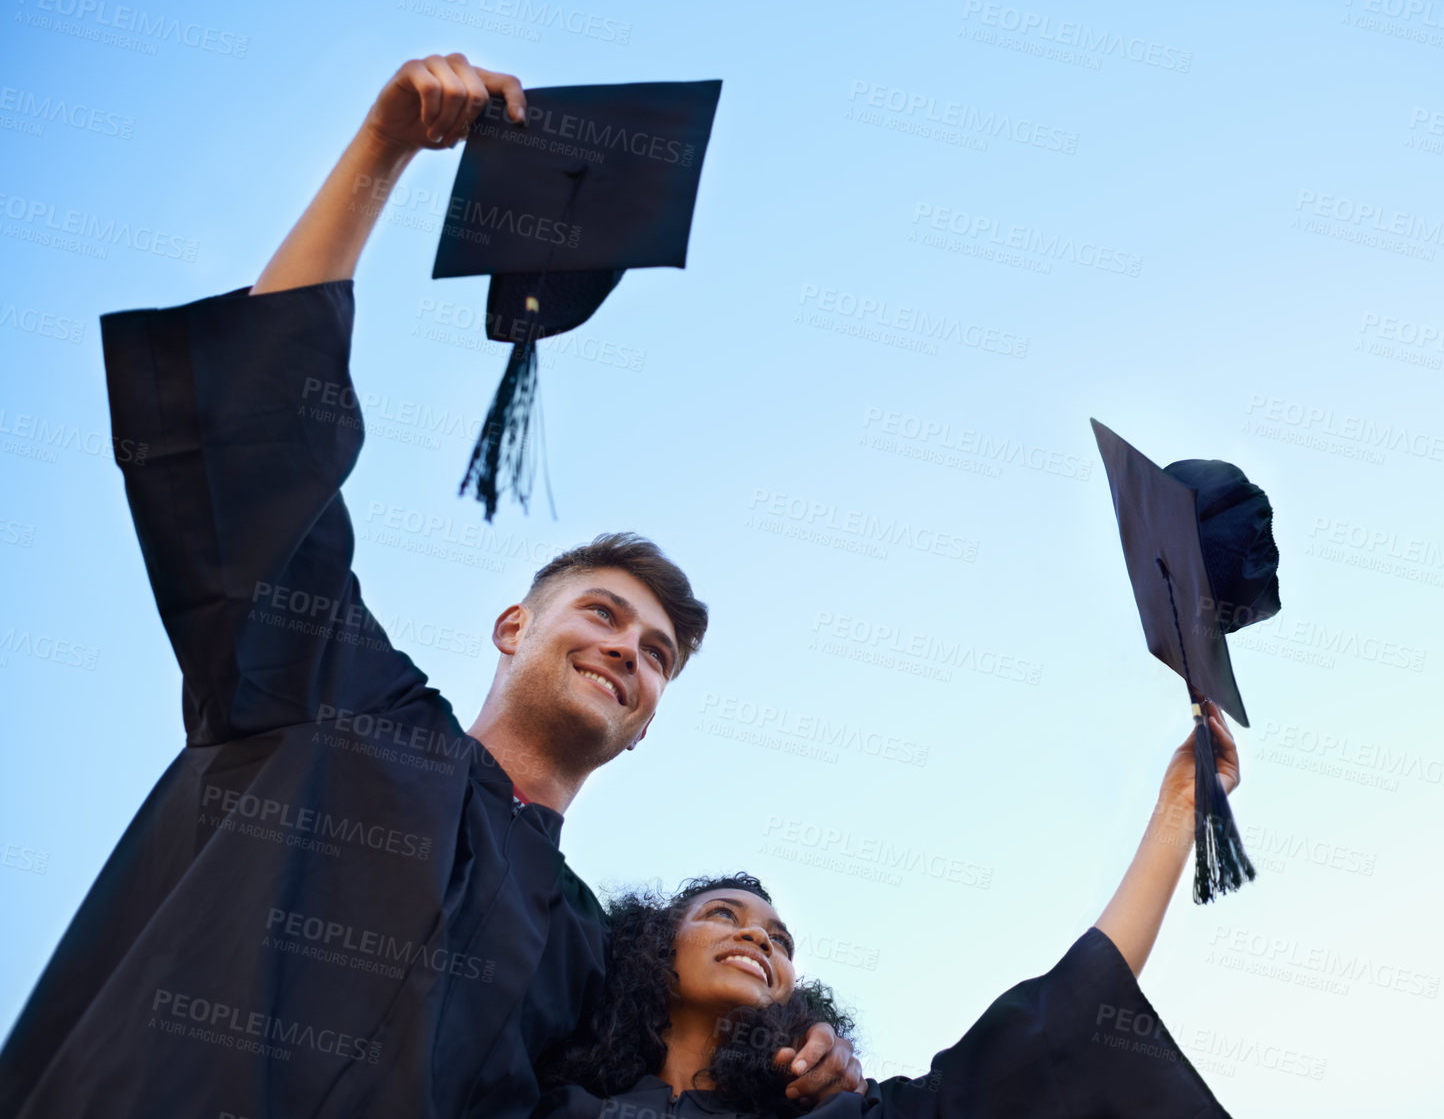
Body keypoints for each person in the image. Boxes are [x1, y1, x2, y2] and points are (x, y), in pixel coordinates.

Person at [0, 54, 858, 1119]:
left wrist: (805, 1064)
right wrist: (384, 148)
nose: (627, 653)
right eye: (602, 612)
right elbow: (262, 449)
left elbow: (668, 1092)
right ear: (513, 625)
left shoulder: (589, 963)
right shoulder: (338, 697)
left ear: (647, 724)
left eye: (656, 657)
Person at [533, 703, 1242, 1118]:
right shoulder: (551, 1103)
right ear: (652, 950)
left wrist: (1179, 810)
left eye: (779, 938)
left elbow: (1048, 1032)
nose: (757, 933)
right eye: (722, 913)